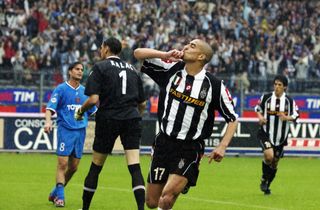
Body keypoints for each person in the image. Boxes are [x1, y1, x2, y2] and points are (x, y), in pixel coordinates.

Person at [134, 39, 239, 210]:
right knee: (151, 202)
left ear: (201, 56)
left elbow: (233, 118)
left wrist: (222, 146)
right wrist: (164, 55)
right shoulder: (171, 69)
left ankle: (182, 179)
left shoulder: (215, 85)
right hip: (164, 143)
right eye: (188, 44)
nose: (186, 46)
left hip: (190, 147)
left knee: (166, 198)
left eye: (192, 46)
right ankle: (183, 181)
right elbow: (138, 53)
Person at [74, 37, 147, 210]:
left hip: (108, 118)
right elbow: (142, 104)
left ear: (106, 48)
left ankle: (85, 208)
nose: (100, 50)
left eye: (101, 47)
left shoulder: (99, 67)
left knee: (96, 166)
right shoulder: (132, 70)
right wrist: (136, 116)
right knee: (135, 167)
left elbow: (93, 99)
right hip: (131, 118)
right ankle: (140, 209)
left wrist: (80, 111)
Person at [45, 61, 97, 207]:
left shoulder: (85, 91)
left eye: (82, 69)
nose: (80, 71)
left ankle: (55, 192)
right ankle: (60, 198)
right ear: (70, 71)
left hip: (80, 132)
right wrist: (48, 122)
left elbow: (94, 112)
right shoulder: (61, 89)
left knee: (73, 167)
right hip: (65, 130)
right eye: (77, 69)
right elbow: (50, 108)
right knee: (62, 164)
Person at [255, 74, 299, 195]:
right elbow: (257, 109)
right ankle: (264, 179)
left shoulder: (289, 101)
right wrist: (260, 117)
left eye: (280, 85)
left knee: (274, 163)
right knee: (269, 156)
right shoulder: (266, 97)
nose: (277, 87)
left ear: (285, 87)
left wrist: (286, 117)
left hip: (281, 138)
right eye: (275, 84)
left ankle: (267, 185)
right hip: (265, 133)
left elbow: (296, 115)